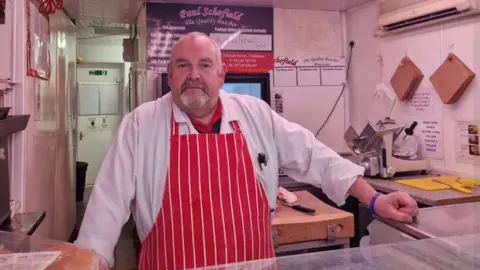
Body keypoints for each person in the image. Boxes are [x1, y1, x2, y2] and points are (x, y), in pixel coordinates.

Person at [75, 31, 419, 269]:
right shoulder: (141, 125)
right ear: (170, 73)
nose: (194, 75)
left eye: (205, 65)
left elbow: (316, 157)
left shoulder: (254, 114)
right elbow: (105, 206)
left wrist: (374, 200)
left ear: (222, 74)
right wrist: (91, 260)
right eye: (183, 65)